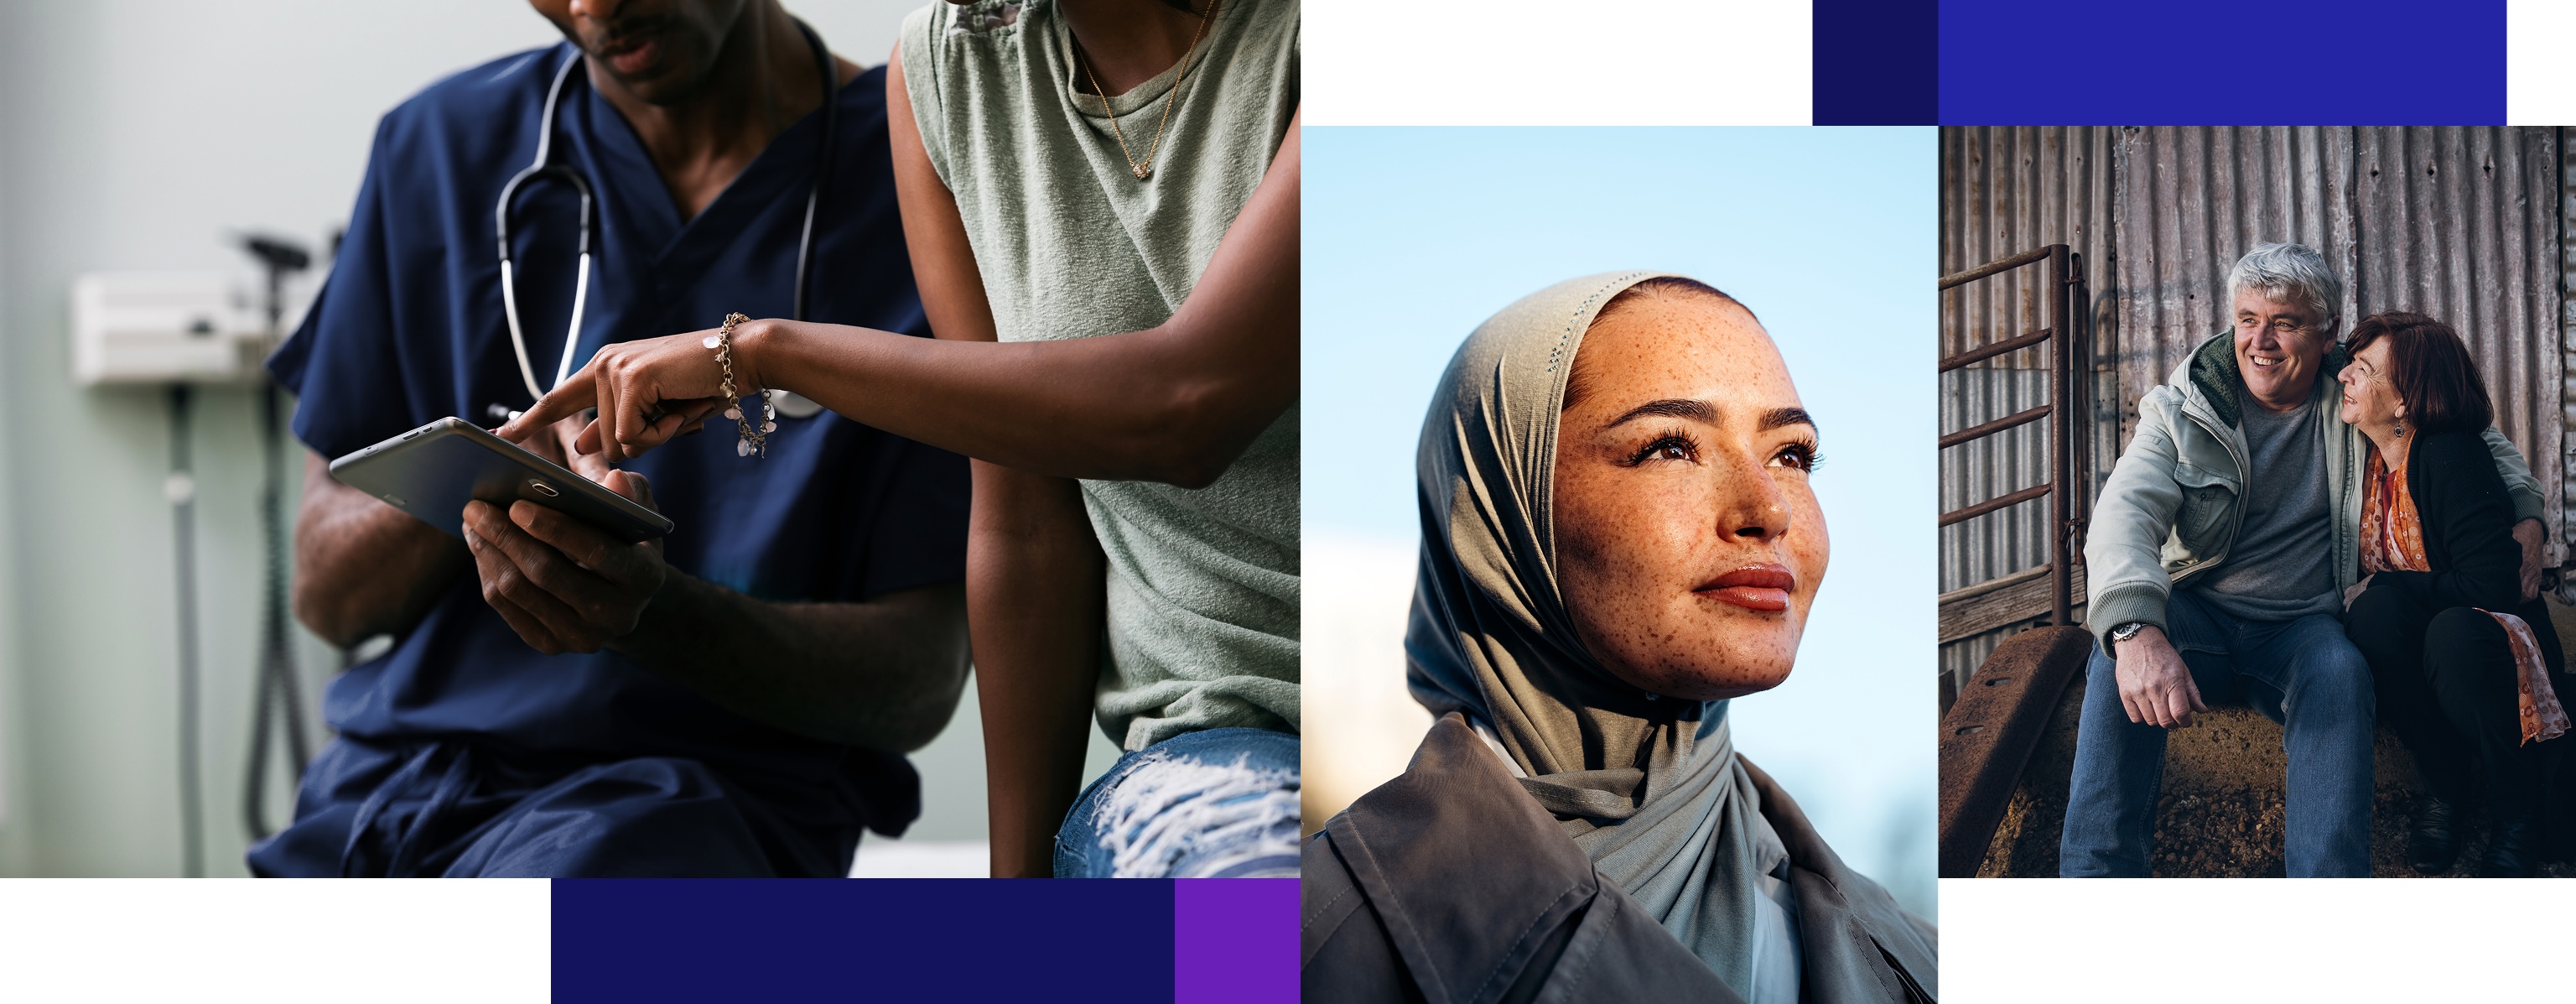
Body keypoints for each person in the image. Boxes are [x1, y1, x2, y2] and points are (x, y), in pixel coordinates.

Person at [501, 0, 1301, 877]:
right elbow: (1024, 524)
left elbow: (1188, 408)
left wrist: (768, 353)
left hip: (1428, 710)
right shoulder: (950, 66)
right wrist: (1017, 908)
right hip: (1216, 759)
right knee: (1254, 943)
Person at [250, 0, 976, 877]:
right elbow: (328, 597)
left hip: (694, 811)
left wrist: (654, 611)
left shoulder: (922, 179)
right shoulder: (440, 148)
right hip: (388, 796)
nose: (592, 6)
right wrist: (488, 474)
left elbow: (919, 682)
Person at [1300, 273, 1936, 1002]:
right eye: (1671, 447)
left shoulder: (1935, 968)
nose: (1768, 508)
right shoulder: (1231, 937)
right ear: (1502, 514)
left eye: (1792, 454)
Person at [2064, 242, 2546, 877]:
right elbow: (2123, 513)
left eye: (2284, 323)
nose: (2259, 341)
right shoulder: (2186, 405)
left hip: (2303, 625)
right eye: (2246, 319)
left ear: (2327, 336)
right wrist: (2133, 628)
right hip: (2198, 613)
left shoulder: (2354, 386)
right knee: (2119, 649)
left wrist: (2528, 509)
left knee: (2342, 673)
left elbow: (2464, 425)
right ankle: (2095, 879)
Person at [2336, 312, 2569, 877]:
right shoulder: (2365, 463)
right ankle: (2446, 788)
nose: (2344, 374)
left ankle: (2519, 816)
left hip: (2492, 642)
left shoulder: (2448, 453)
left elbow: (2493, 583)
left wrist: (2393, 581)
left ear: (2403, 404)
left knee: (2453, 633)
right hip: (2431, 636)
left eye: (2363, 369)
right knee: (2375, 616)